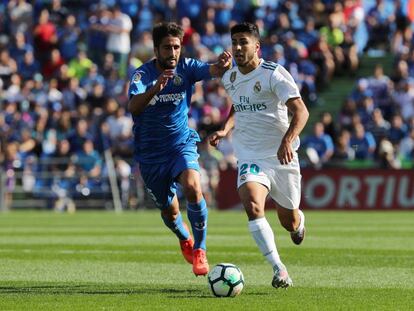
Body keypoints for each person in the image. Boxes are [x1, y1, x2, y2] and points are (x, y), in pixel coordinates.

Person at [209, 22, 309, 288]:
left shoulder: (273, 74)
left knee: (289, 222)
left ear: (256, 46)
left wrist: (288, 140)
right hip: (250, 155)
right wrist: (225, 129)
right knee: (252, 204)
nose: (238, 47)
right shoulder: (229, 77)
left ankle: (298, 222)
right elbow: (238, 107)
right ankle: (279, 269)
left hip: (281, 156)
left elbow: (301, 112)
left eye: (244, 42)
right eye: (234, 42)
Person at [128, 22, 232, 276]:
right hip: (151, 155)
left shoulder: (187, 68)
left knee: (194, 187)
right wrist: (156, 89)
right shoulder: (142, 76)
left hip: (180, 145)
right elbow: (133, 108)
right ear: (156, 49)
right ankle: (184, 237)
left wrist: (223, 64)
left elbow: (214, 70)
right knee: (170, 210)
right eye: (167, 48)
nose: (173, 52)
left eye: (176, 47)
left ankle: (200, 249)